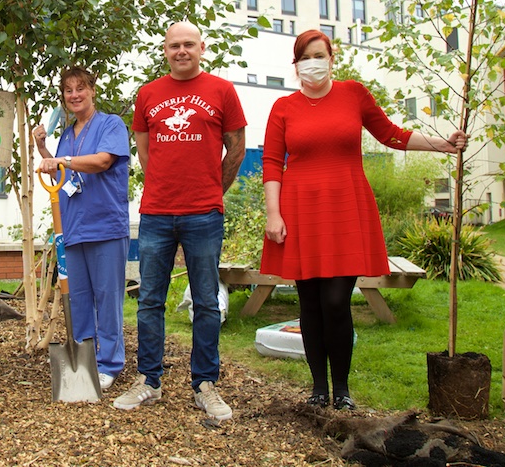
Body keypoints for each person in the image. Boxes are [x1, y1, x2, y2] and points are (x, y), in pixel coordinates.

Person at [261, 29, 467, 411]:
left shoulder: (353, 94)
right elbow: (273, 163)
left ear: (331, 58)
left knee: (337, 302)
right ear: (296, 64)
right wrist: (273, 214)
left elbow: (390, 134)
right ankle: (319, 389)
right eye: (305, 57)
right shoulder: (284, 108)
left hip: (345, 206)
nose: (313, 63)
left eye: (319, 55)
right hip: (300, 211)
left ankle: (342, 388)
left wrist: (444, 143)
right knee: (310, 304)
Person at [113, 21, 246, 422]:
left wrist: (210, 191)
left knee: (206, 301)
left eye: (189, 44)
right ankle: (148, 381)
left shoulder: (222, 90)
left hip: (204, 213)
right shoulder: (148, 94)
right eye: (174, 45)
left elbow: (236, 149)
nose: (181, 51)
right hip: (156, 212)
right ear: (166, 50)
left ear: (201, 48)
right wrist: (164, 188)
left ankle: (205, 384)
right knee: (150, 299)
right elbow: (145, 150)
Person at [34, 67, 130, 391]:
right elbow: (60, 171)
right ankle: (85, 360)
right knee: (78, 298)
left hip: (105, 226)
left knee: (107, 297)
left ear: (92, 90)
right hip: (73, 227)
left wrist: (61, 160)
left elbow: (102, 161)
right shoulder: (66, 134)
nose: (74, 95)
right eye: (68, 90)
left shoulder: (111, 124)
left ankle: (110, 364)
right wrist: (44, 149)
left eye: (81, 88)